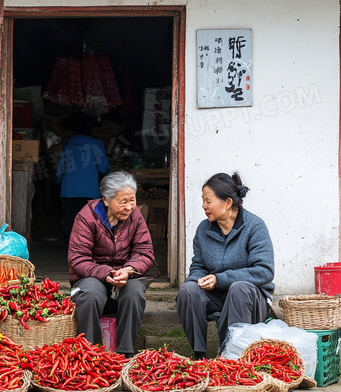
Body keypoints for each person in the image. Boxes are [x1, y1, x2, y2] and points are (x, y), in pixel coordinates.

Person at [176, 172, 274, 360]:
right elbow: (198, 266)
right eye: (203, 200)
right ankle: (199, 355)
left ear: (228, 203)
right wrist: (197, 280)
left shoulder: (254, 226)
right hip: (218, 295)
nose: (204, 206)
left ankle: (232, 355)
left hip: (251, 298)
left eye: (208, 201)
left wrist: (221, 279)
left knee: (238, 288)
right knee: (188, 290)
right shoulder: (204, 229)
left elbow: (264, 271)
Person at [68, 171, 155, 357]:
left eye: (132, 200)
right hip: (92, 275)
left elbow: (145, 252)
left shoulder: (136, 216)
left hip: (125, 273)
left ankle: (126, 354)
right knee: (90, 294)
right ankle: (92, 355)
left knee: (133, 292)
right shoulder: (86, 217)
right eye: (123, 201)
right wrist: (106, 273)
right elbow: (78, 258)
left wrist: (129, 269)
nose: (129, 207)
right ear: (106, 200)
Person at [56, 131, 111, 245]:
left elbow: (61, 167)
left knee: (69, 218)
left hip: (69, 190)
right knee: (89, 219)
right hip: (90, 190)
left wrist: (58, 180)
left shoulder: (69, 144)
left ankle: (69, 243)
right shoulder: (96, 144)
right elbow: (103, 167)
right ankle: (86, 243)